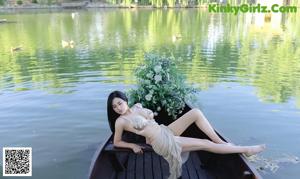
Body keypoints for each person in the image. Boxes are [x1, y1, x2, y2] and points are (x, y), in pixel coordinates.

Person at [107, 90, 266, 179]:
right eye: (114, 107)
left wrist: (146, 113)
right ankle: (244, 149)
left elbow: (151, 119)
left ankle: (222, 143)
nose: (118, 108)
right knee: (204, 144)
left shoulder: (136, 107)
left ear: (125, 100)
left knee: (195, 112)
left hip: (164, 130)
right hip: (160, 141)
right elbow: (117, 142)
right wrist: (132, 145)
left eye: (119, 103)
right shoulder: (120, 121)